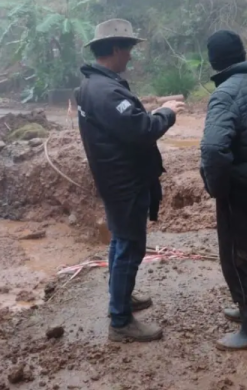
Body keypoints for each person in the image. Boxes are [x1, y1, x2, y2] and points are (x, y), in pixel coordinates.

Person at [75, 18, 185, 342]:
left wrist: (150, 110)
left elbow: (124, 124)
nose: (131, 57)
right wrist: (166, 113)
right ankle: (121, 321)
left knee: (120, 242)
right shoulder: (106, 90)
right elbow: (142, 131)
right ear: (115, 48)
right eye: (129, 50)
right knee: (129, 246)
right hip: (125, 184)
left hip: (114, 180)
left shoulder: (93, 86)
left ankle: (120, 299)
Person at [199, 30, 247, 351]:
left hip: (239, 189)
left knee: (236, 256)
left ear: (214, 61)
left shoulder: (226, 94)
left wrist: (216, 187)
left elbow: (214, 149)